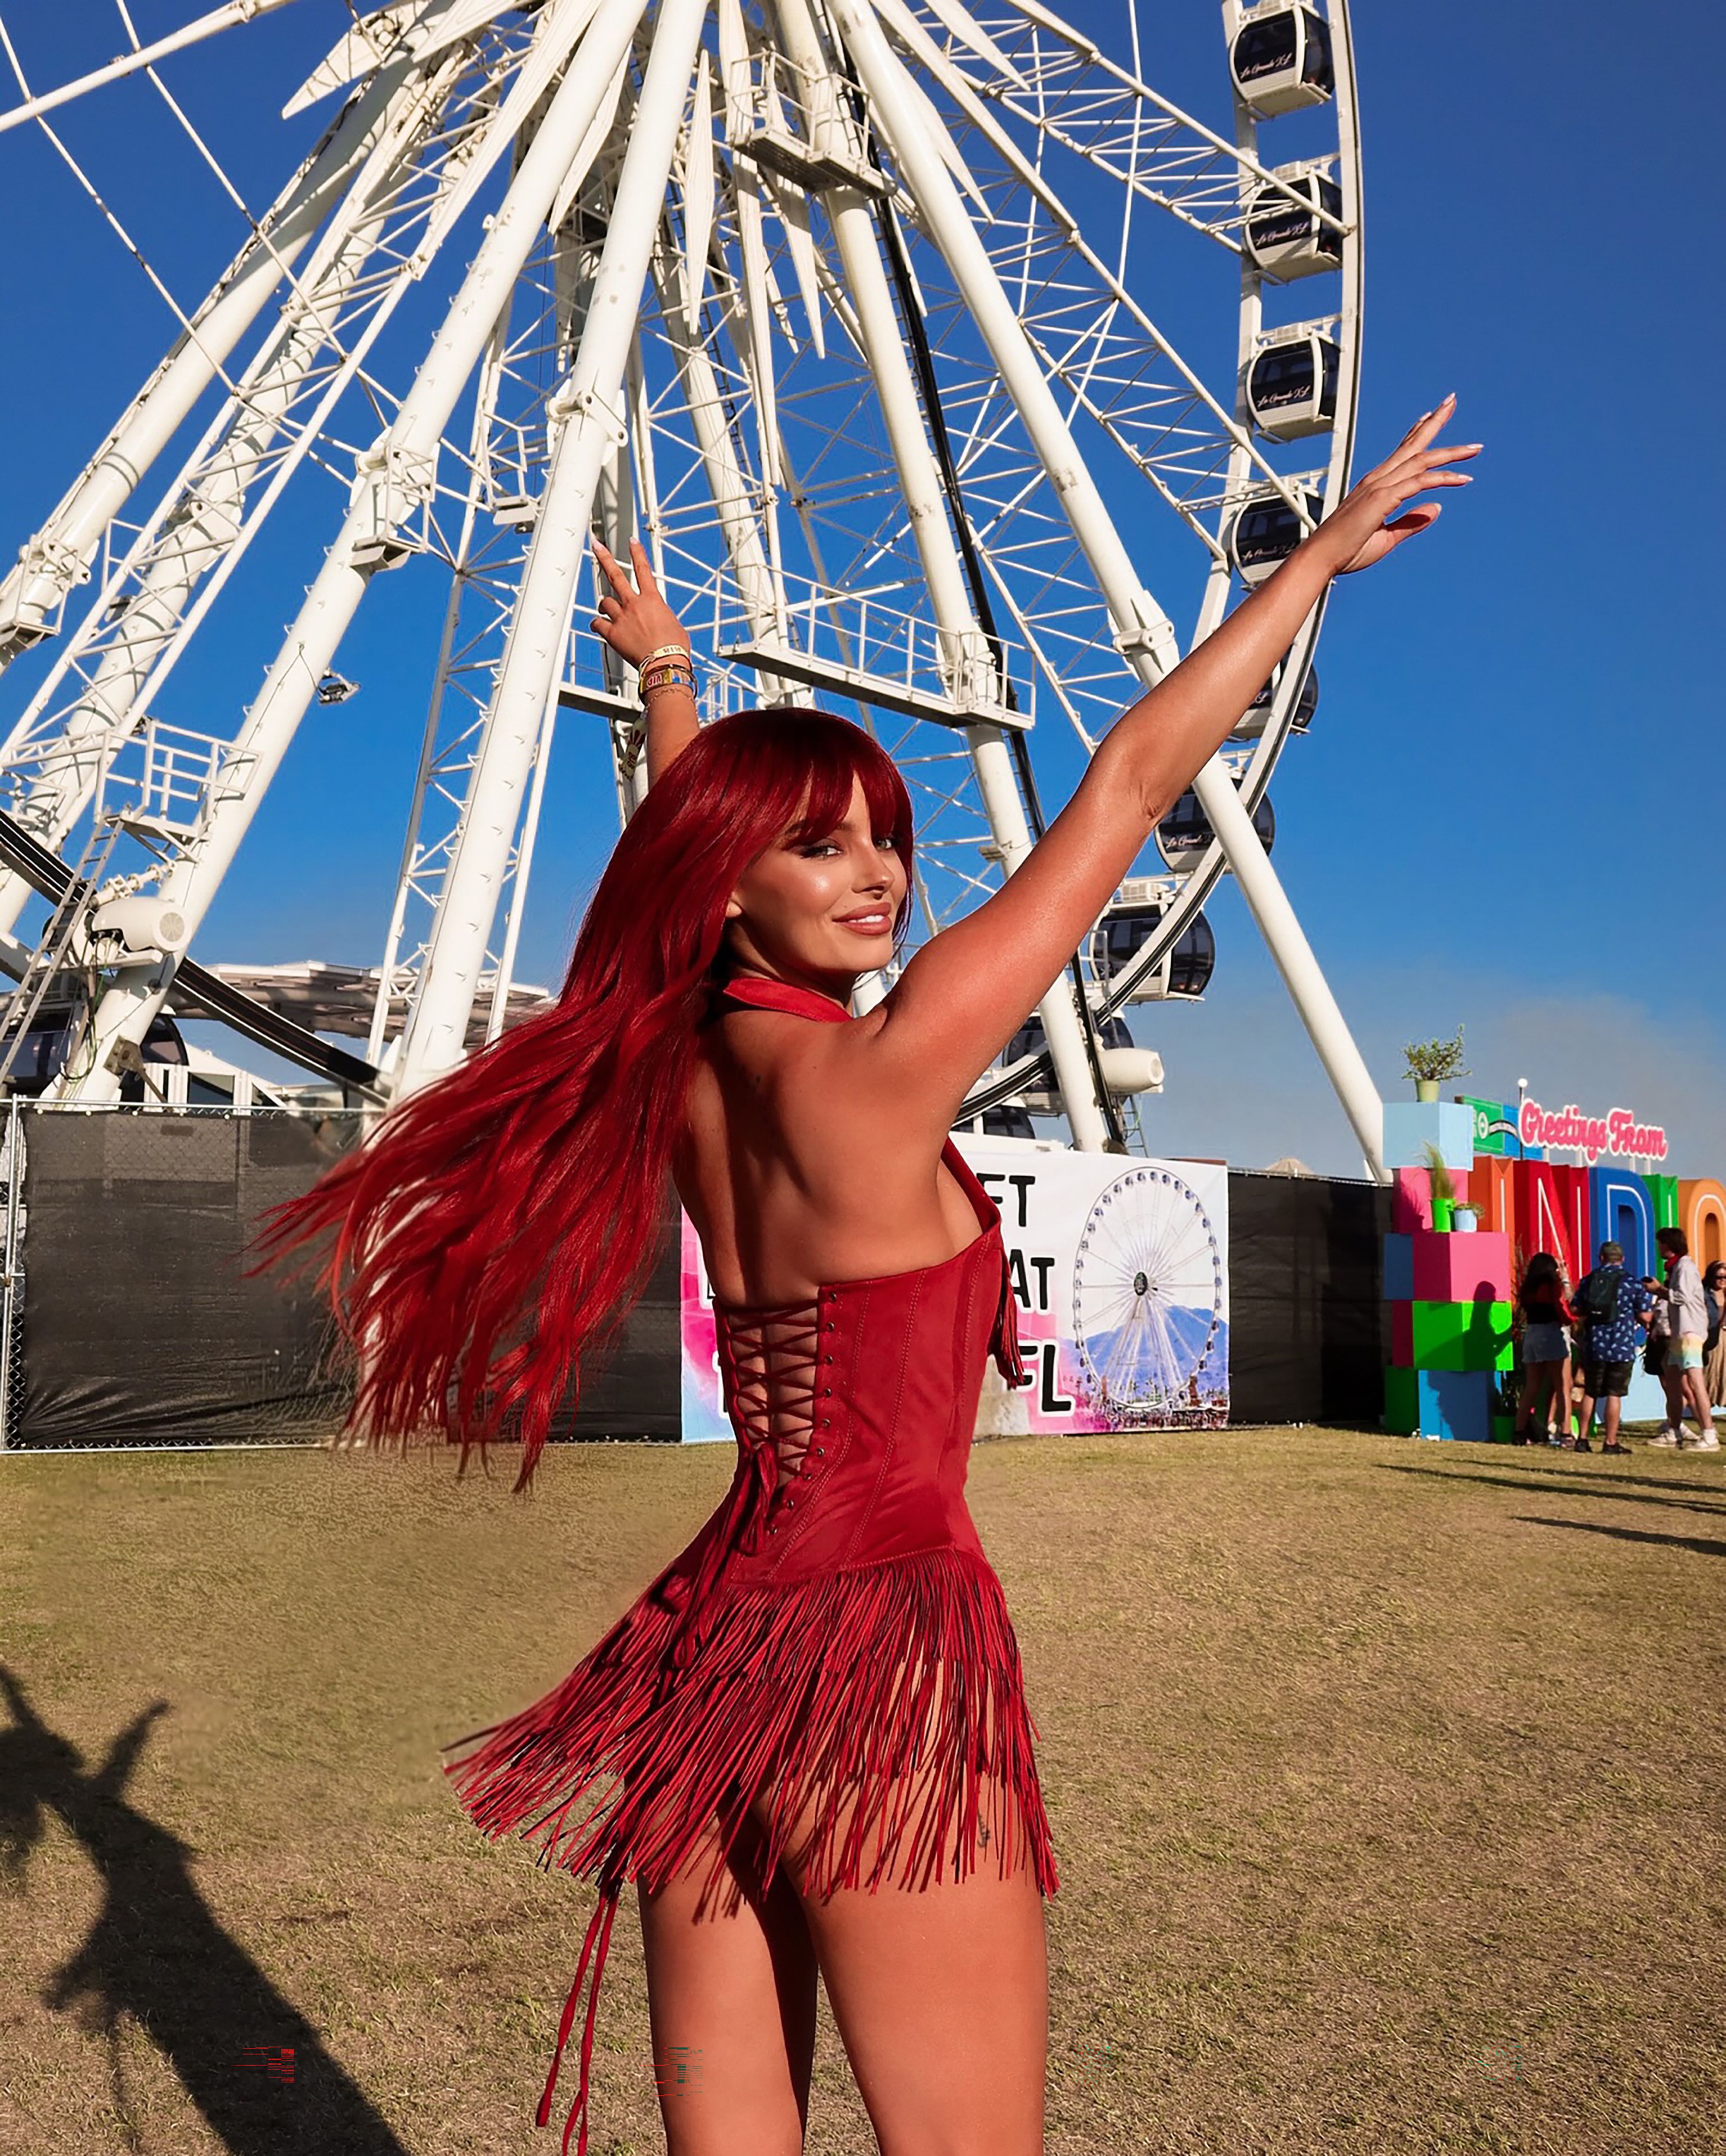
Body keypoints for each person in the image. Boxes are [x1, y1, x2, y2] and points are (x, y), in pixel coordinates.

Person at [257, 399, 1476, 2155]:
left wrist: (670, 677)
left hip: (706, 1663)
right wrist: (1311, 567)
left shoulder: (685, 1073)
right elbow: (1133, 781)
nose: (881, 870)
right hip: (879, 1657)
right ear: (732, 882)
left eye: (880, 833)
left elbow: (696, 844)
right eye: (822, 844)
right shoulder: (886, 1071)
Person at [1571, 1240, 1653, 1457]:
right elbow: (1645, 1316)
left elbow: (1575, 1309)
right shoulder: (1632, 1283)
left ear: (1601, 1258)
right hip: (1621, 1346)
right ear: (1622, 1259)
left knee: (1591, 1392)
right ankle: (1610, 1442)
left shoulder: (1589, 1280)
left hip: (1594, 1345)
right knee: (1614, 1394)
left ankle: (1582, 1439)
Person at [1646, 1228, 1719, 1452]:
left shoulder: (1685, 1267)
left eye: (1661, 1244)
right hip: (1680, 1333)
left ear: (1669, 1245)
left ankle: (1709, 1434)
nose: (1659, 1248)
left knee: (1695, 1382)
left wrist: (1659, 1290)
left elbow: (1682, 1298)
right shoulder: (1676, 1267)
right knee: (1672, 1379)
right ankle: (1675, 1430)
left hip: (1690, 1332)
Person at [1513, 1251, 1575, 1446]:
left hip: (1532, 1334)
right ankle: (1566, 1433)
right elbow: (1564, 1312)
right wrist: (1565, 1282)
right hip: (1551, 1334)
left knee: (1532, 1387)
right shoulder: (1552, 1287)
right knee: (1563, 1385)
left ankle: (1519, 1431)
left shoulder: (1528, 1289)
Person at [1702, 1259, 1726, 1417]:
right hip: (1711, 1338)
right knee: (1709, 1372)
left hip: (1725, 1338)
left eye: (1725, 1277)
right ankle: (1705, 1406)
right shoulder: (1704, 1294)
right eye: (1719, 1277)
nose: (1723, 1280)